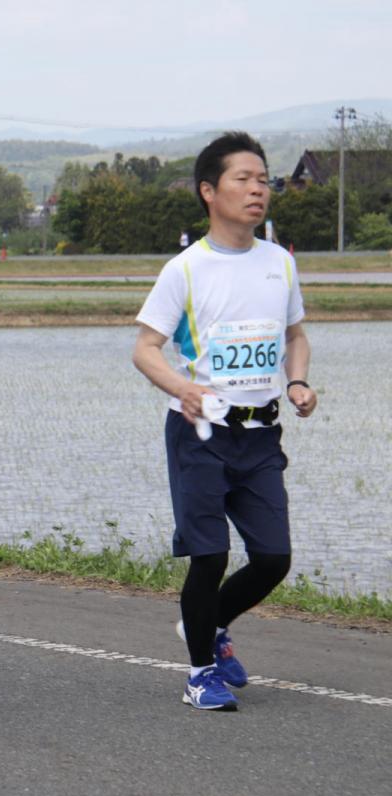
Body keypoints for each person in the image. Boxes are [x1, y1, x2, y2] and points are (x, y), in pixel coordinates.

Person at [132, 132, 317, 711]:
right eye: (244, 179)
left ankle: (208, 625)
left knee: (274, 558)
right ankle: (200, 676)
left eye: (263, 179)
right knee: (209, 555)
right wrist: (182, 387)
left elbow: (296, 337)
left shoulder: (279, 263)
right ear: (209, 191)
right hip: (202, 433)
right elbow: (145, 349)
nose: (258, 188)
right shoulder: (185, 270)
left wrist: (297, 381)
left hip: (261, 435)